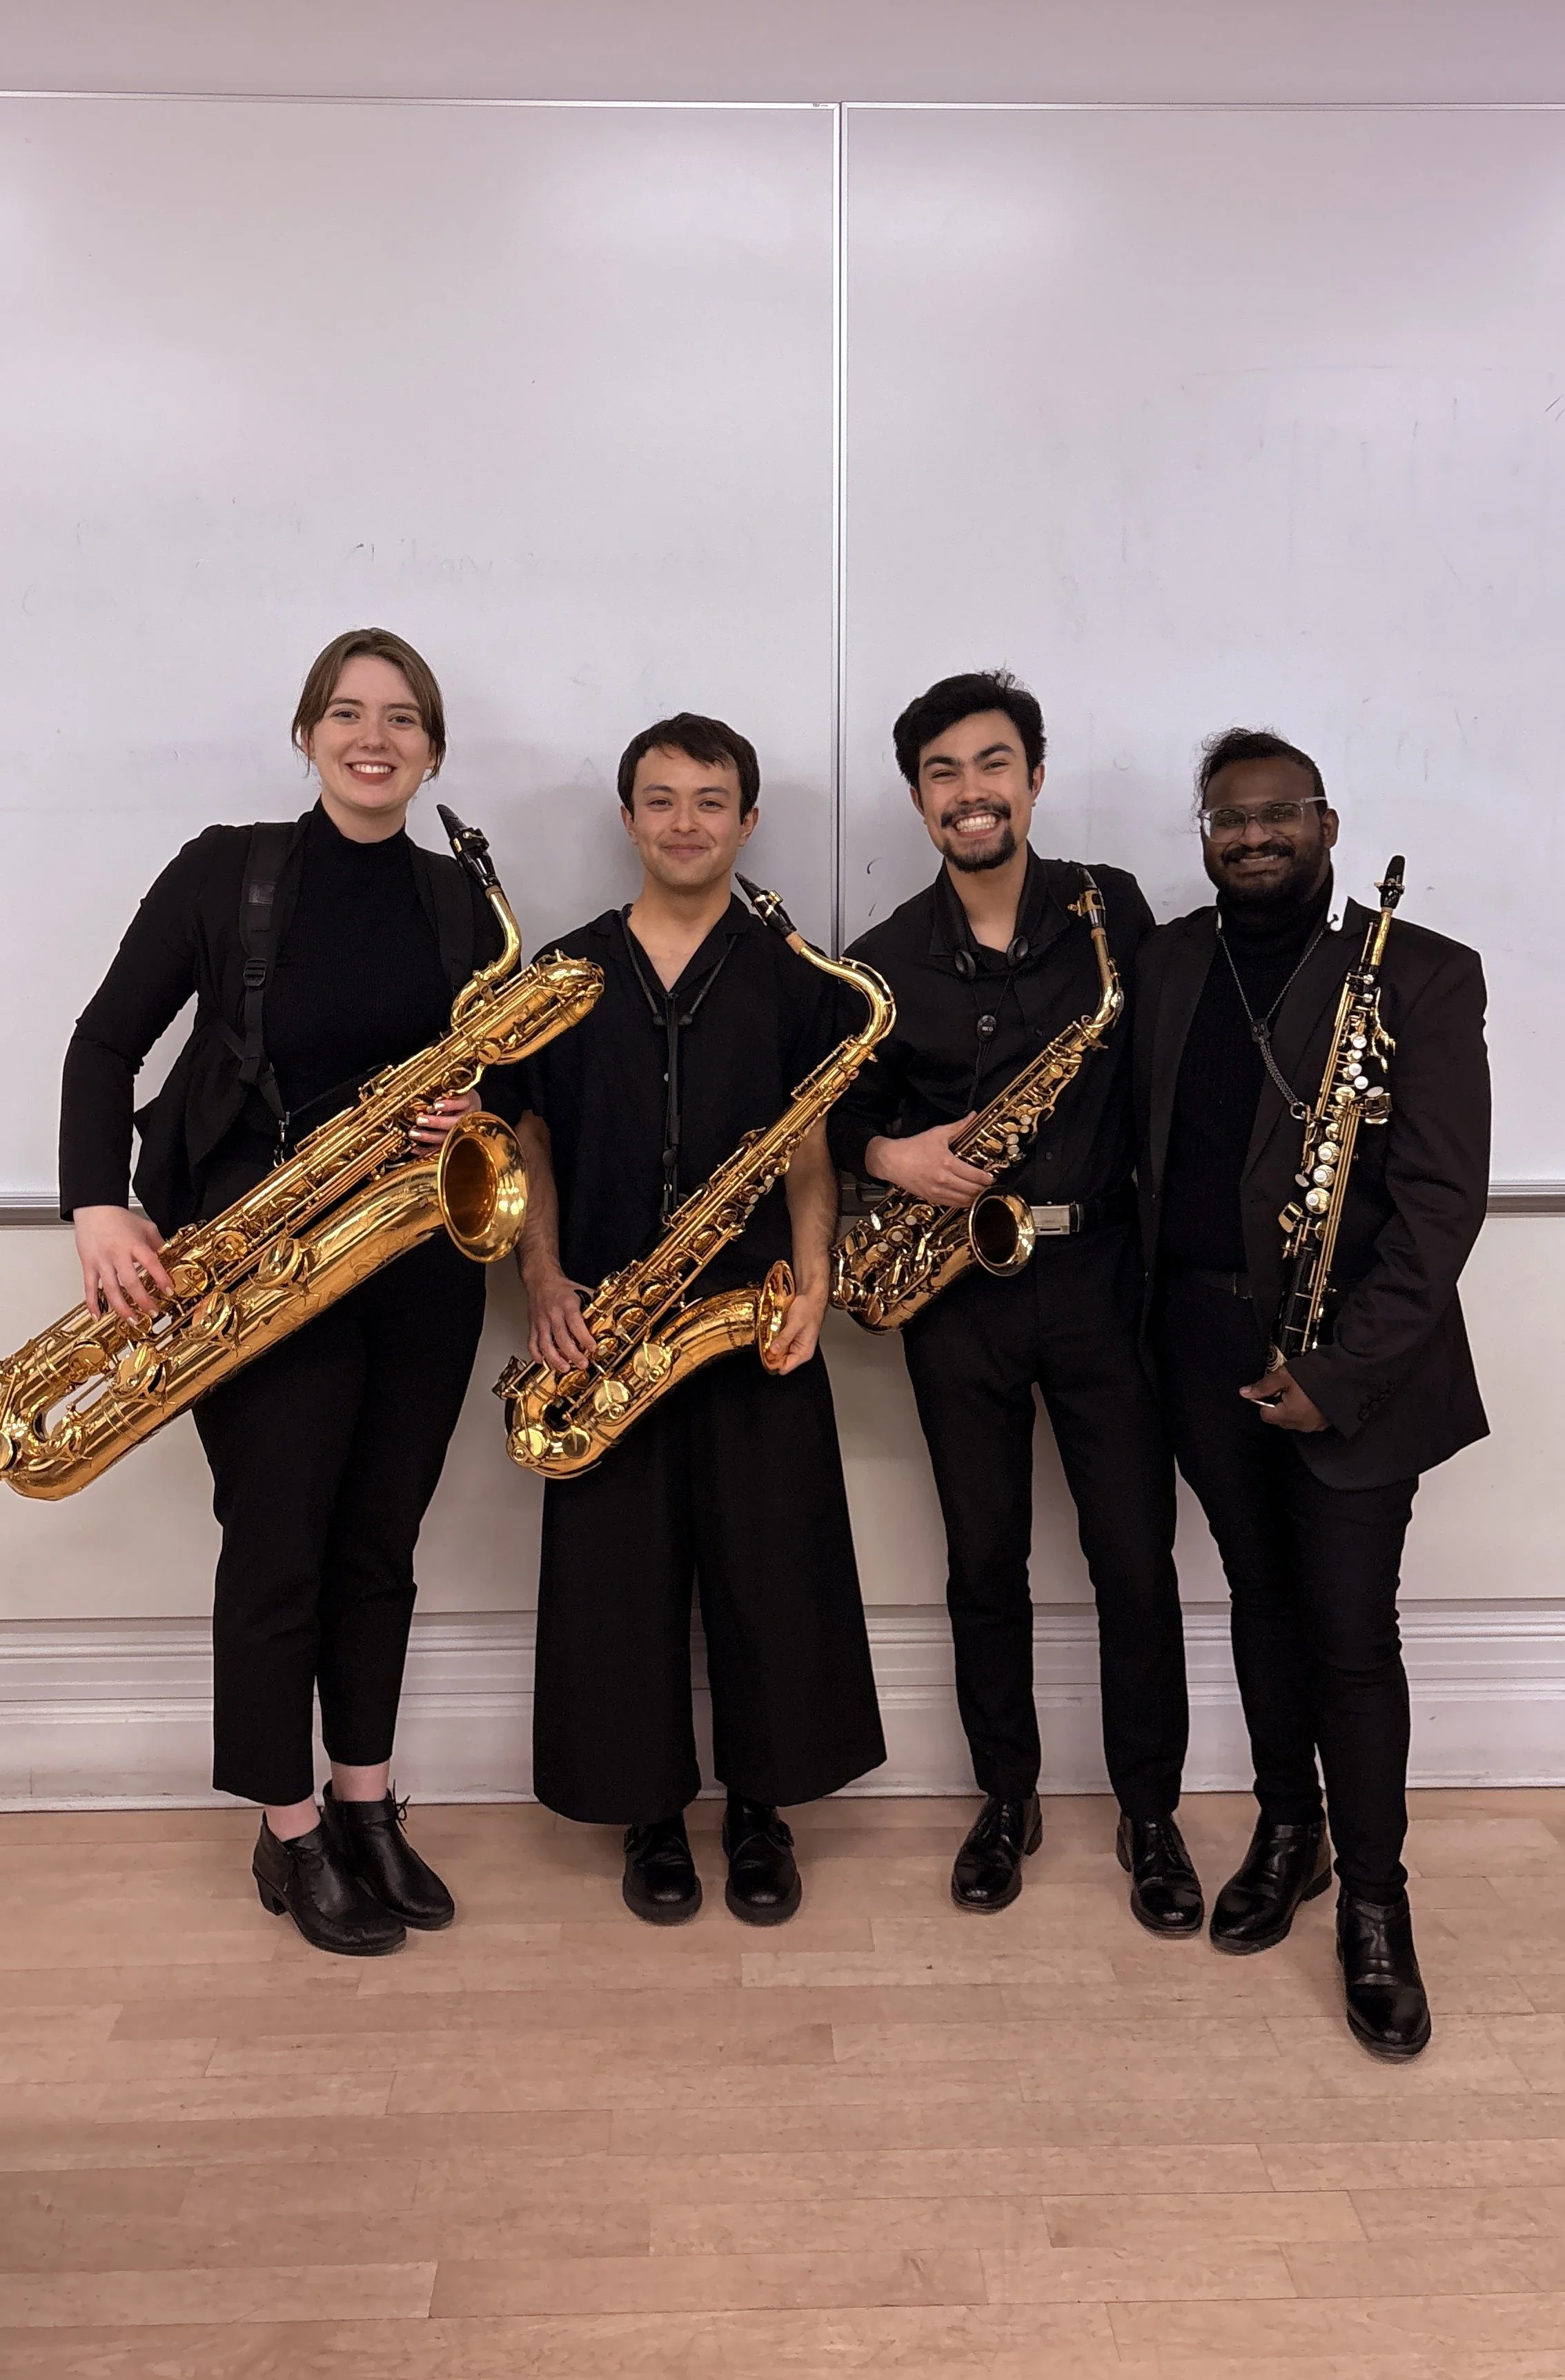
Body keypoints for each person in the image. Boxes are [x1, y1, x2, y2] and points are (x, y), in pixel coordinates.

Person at [58, 629, 515, 1956]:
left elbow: (505, 1086)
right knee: (278, 1550)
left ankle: (366, 1802)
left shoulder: (466, 907)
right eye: (348, 714)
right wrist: (98, 1202)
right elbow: (104, 1041)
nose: (376, 739)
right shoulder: (229, 872)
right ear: (307, 732)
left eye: (404, 719)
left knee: (380, 1545)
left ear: (433, 749)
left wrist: (475, 1107)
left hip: (416, 1271)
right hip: (258, 1274)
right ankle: (288, 1828)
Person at [1134, 727, 1490, 2059]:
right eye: (1230, 818)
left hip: (1357, 1369)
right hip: (1199, 1345)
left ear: (1331, 826)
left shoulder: (1427, 975)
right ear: (1206, 834)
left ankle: (1380, 1910)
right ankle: (1293, 1832)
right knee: (1261, 1602)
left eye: (1282, 813)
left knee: (1348, 1629)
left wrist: (1337, 1374)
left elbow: (1445, 1205)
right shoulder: (1172, 960)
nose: (1256, 835)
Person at [829, 671, 1194, 1929]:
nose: (970, 793)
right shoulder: (877, 965)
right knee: (982, 1561)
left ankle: (1152, 1813)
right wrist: (891, 1158)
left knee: (1132, 1559)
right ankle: (1006, 1798)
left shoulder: (1117, 913)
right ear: (917, 798)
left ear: (1035, 777)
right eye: (942, 773)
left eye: (992, 765)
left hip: (1102, 1281)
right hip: (957, 1292)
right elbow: (834, 1124)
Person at [513, 711, 885, 1925]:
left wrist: (818, 1275)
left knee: (774, 1566)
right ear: (627, 820)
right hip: (605, 1325)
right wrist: (545, 1278)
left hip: (753, 1308)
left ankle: (763, 1811)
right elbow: (528, 1140)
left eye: (710, 800)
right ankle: (651, 1815)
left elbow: (813, 1152)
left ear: (749, 820)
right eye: (661, 800)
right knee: (616, 1579)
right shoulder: (563, 975)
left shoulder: (796, 975)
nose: (685, 822)